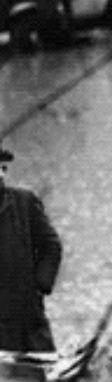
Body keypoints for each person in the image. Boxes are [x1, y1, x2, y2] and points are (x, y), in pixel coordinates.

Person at [0, 143, 63, 352]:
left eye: (1, 168)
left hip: (25, 317)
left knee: (36, 375)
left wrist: (38, 286)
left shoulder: (24, 202)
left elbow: (51, 246)